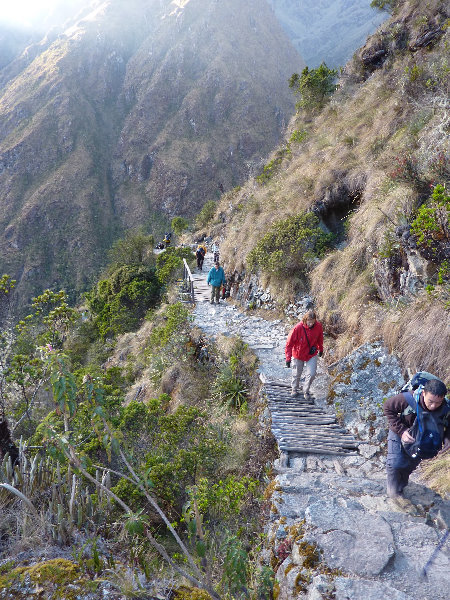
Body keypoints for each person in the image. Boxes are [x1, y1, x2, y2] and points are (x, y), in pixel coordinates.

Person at [383, 378, 449, 500]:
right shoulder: (407, 399)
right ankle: (393, 494)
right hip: (400, 432)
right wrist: (401, 431)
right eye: (430, 401)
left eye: (438, 403)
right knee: (395, 464)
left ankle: (400, 488)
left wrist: (447, 439)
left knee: (408, 466)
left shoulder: (446, 408)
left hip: (422, 440)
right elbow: (388, 407)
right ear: (423, 393)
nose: (433, 406)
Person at [285, 309, 323, 400]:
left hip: (311, 353)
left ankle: (306, 390)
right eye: (309, 322)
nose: (311, 324)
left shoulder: (318, 326)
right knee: (297, 373)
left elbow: (320, 338)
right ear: (305, 320)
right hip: (298, 354)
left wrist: (320, 349)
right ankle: (294, 389)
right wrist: (288, 358)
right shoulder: (297, 328)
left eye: (313, 322)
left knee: (312, 373)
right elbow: (289, 344)